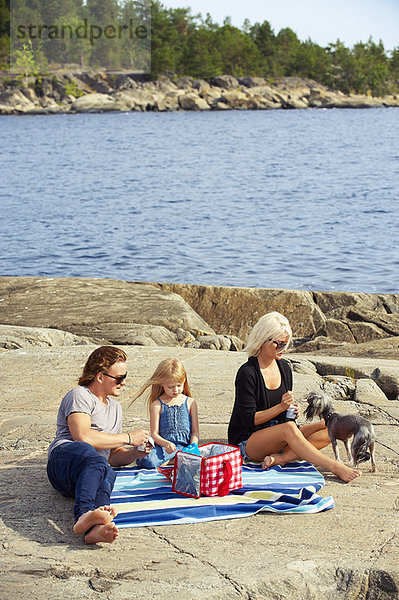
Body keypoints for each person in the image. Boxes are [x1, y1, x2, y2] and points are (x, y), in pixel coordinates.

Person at [228, 312, 361, 483]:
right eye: (279, 344)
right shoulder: (247, 373)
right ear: (263, 340)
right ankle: (334, 467)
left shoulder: (284, 367)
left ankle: (282, 458)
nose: (283, 349)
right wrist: (281, 408)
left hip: (279, 431)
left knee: (333, 425)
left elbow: (283, 415)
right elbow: (248, 420)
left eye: (286, 344)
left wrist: (290, 410)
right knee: (289, 429)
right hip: (248, 441)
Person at [47, 346, 151, 544]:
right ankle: (84, 514)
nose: (124, 382)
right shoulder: (80, 395)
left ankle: (96, 529)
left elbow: (112, 455)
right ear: (100, 376)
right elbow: (82, 436)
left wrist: (135, 453)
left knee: (107, 471)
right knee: (91, 455)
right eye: (119, 377)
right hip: (63, 462)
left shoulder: (115, 408)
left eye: (125, 376)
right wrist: (129, 437)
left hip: (85, 480)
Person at [131, 358, 199, 468]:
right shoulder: (157, 404)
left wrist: (193, 445)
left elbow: (195, 432)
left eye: (179, 385)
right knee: (148, 461)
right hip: (164, 448)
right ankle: (175, 461)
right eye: (171, 387)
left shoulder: (190, 402)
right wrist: (166, 444)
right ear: (162, 383)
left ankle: (174, 460)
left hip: (185, 448)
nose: (176, 390)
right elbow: (154, 434)